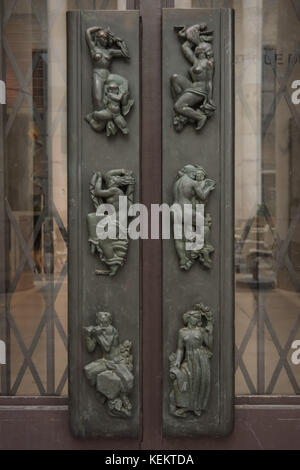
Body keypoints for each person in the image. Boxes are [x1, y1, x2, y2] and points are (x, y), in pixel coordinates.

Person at [169, 306, 213, 418]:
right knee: (185, 380)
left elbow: (209, 344)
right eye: (195, 318)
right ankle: (185, 405)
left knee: (198, 382)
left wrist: (210, 329)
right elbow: (180, 348)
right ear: (189, 318)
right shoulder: (182, 332)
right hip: (188, 358)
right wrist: (178, 361)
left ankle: (197, 406)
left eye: (198, 318)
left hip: (200, 359)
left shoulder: (201, 331)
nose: (198, 320)